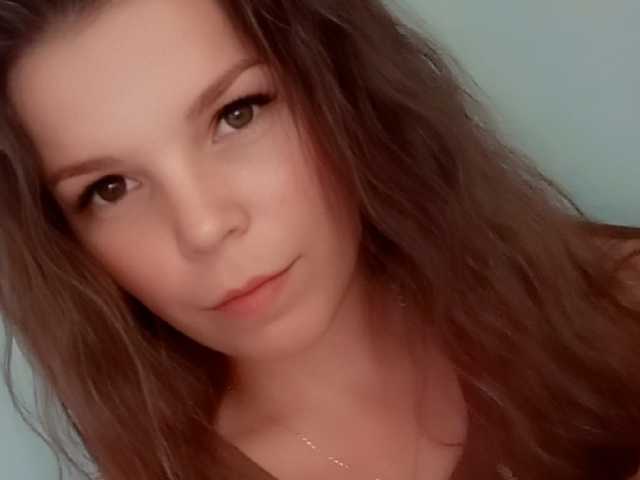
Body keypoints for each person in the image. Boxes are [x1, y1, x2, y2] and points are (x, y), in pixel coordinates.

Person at [1, 1, 639, 479]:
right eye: (110, 188)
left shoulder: (616, 303)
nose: (203, 226)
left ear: (341, 91)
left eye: (237, 114)